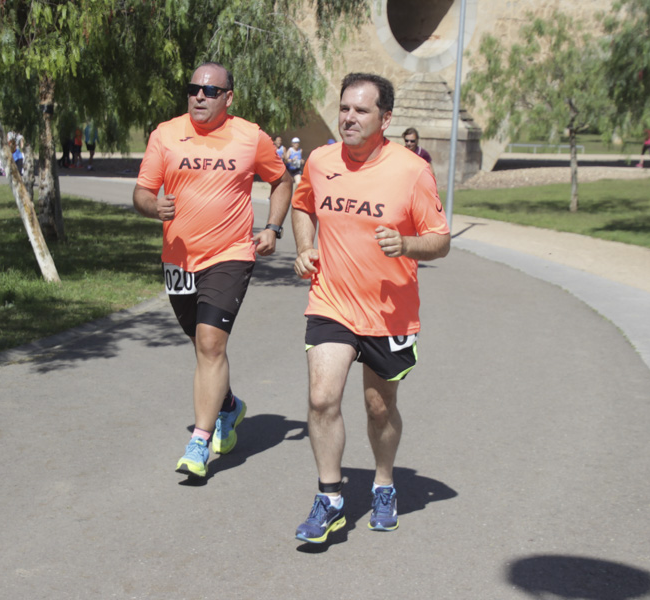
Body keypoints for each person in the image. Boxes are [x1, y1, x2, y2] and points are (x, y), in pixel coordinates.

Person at [289, 73, 450, 543]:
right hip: (331, 301)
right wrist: (305, 246)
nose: (349, 118)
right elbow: (303, 206)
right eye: (344, 108)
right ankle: (330, 497)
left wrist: (406, 243)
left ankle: (383, 483)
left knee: (379, 407)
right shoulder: (320, 161)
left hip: (388, 312)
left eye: (361, 110)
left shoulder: (411, 170)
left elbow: (439, 241)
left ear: (386, 118)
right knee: (322, 398)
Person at [133, 62, 293, 479]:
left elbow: (281, 180)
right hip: (179, 258)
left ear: (228, 98)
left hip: (230, 254)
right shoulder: (165, 134)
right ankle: (228, 406)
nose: (199, 97)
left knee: (210, 344)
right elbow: (142, 193)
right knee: (198, 341)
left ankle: (199, 443)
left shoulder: (250, 137)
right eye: (193, 89)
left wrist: (273, 227)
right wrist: (155, 207)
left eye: (210, 91)